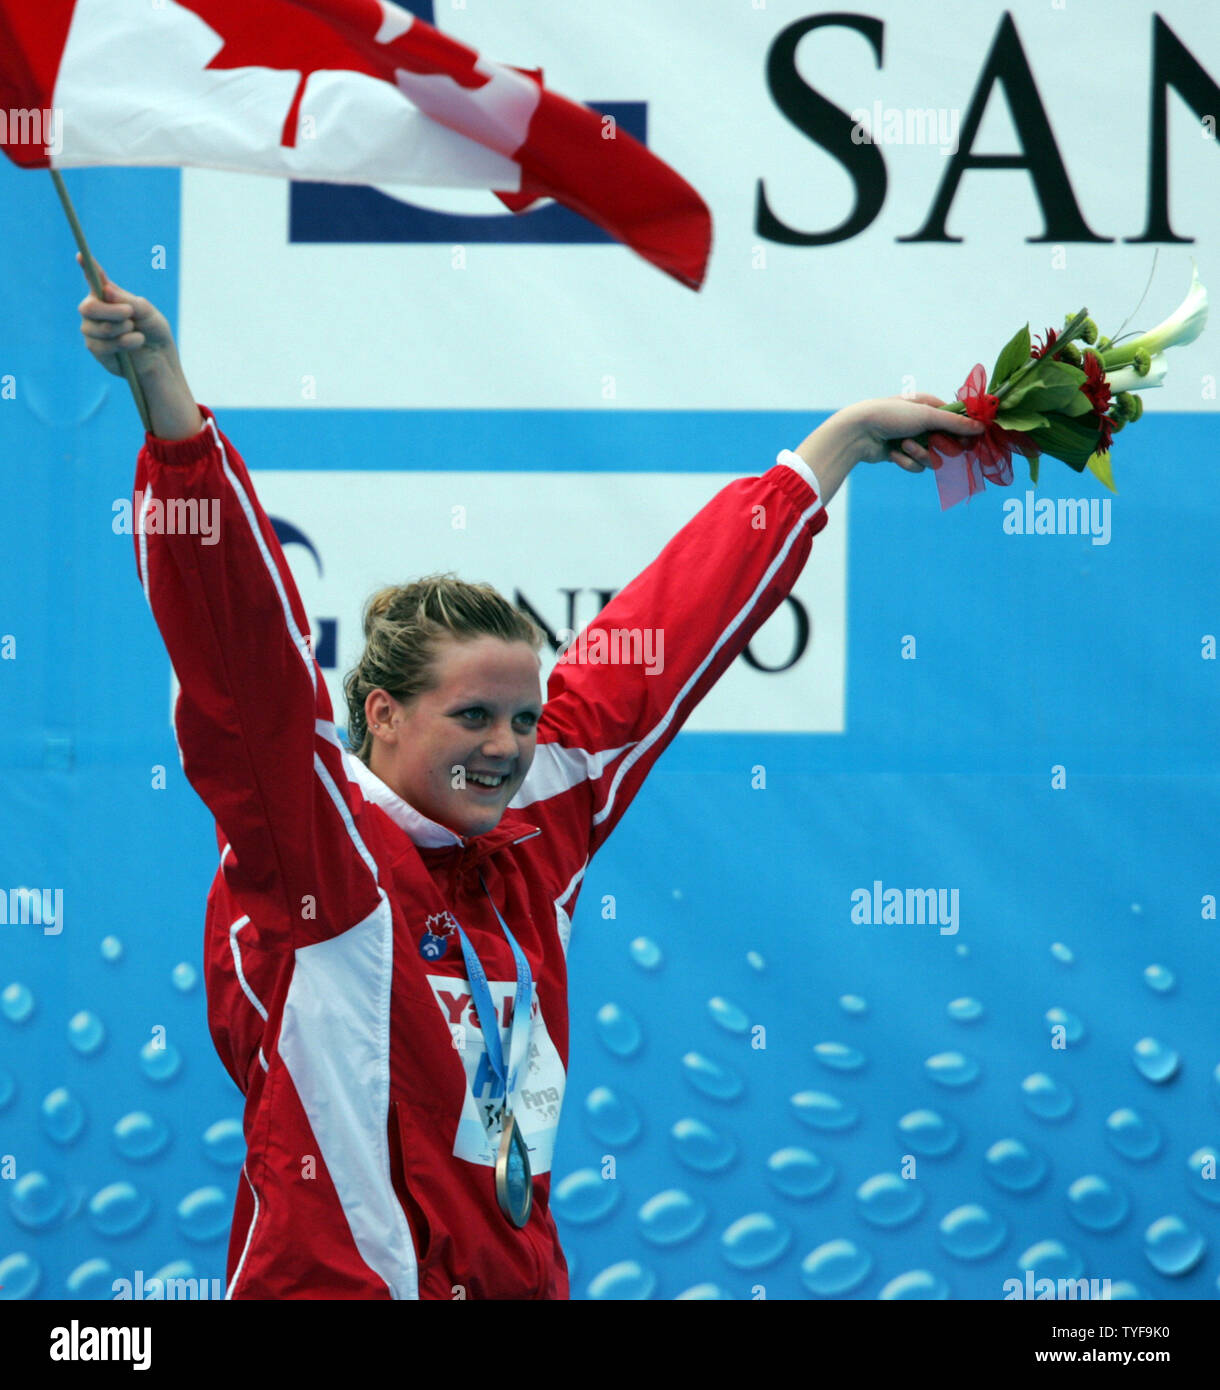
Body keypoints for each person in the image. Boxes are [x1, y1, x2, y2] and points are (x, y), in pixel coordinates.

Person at [78, 259, 984, 1300]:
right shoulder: (316, 856)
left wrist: (843, 443)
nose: (507, 748)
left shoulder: (535, 829)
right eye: (472, 716)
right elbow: (239, 662)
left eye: (521, 716)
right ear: (381, 714)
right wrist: (176, 426)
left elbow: (670, 634)